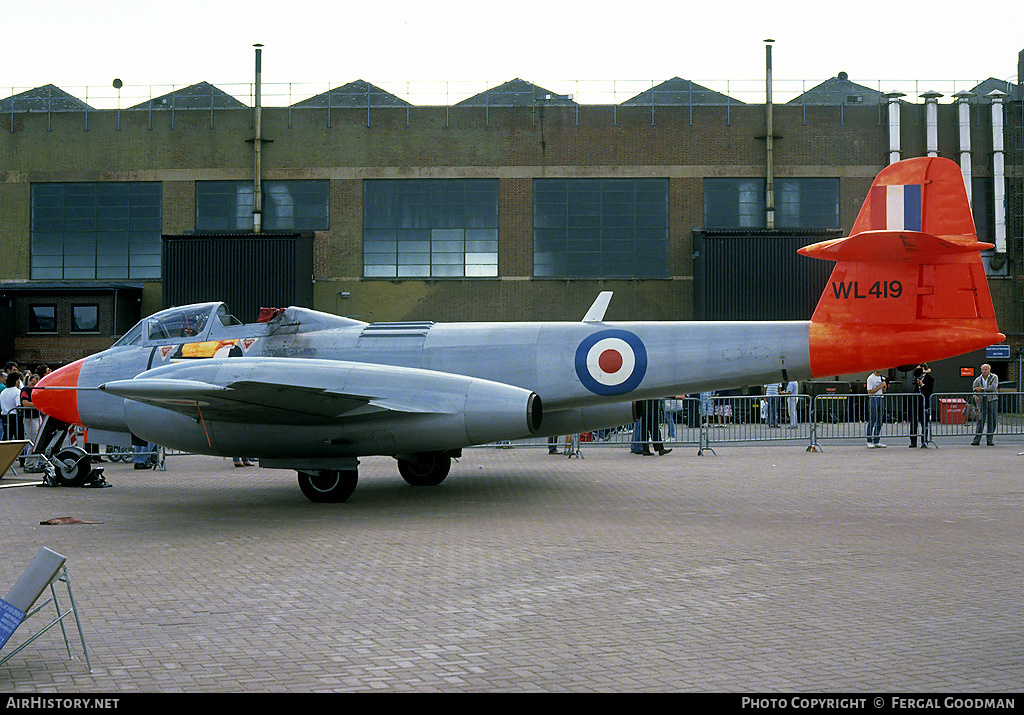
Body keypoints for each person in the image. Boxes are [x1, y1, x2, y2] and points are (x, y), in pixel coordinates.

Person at [971, 363, 998, 446]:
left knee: (992, 420)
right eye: (982, 369)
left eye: (986, 369)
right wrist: (975, 396)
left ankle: (990, 439)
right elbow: (974, 390)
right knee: (980, 420)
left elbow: (993, 387)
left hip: (992, 400)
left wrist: (982, 389)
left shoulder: (994, 377)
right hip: (982, 401)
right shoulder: (977, 379)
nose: (984, 371)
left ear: (989, 370)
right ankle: (977, 439)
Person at [908, 363, 933, 448]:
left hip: (924, 403)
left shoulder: (930, 379)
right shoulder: (916, 377)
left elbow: (928, 391)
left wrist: (922, 385)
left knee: (924, 422)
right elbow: (913, 384)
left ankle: (924, 441)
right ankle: (913, 441)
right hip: (915, 402)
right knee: (913, 422)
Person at [865, 369, 887, 448]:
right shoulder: (870, 378)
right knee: (872, 419)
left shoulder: (882, 378)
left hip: (881, 398)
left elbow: (883, 391)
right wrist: (880, 386)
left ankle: (876, 440)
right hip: (873, 398)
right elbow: (869, 391)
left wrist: (884, 387)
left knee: (879, 420)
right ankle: (869, 440)